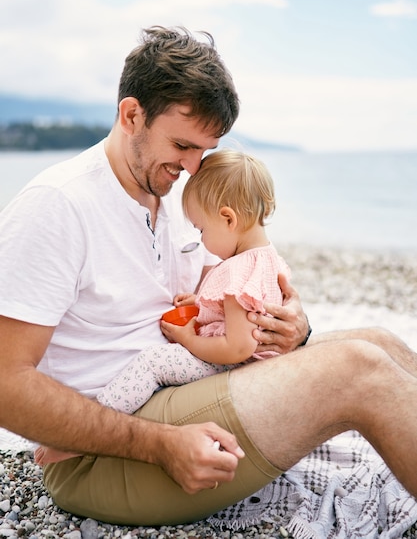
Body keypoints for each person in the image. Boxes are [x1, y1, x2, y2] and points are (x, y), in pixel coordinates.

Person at [1, 26, 417, 528]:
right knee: (360, 370)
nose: (194, 166)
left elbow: (226, 293)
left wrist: (293, 330)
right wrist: (158, 444)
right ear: (132, 115)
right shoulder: (58, 205)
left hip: (185, 384)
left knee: (380, 342)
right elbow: (6, 383)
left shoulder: (173, 194)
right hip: (103, 452)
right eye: (182, 144)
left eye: (205, 148)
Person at [35, 148, 291, 466]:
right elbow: (245, 308)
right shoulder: (267, 258)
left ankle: (80, 436)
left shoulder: (236, 270)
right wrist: (204, 302)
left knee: (154, 363)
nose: (201, 238)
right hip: (260, 363)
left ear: (228, 218)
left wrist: (187, 340)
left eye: (201, 230)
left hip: (239, 366)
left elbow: (238, 346)